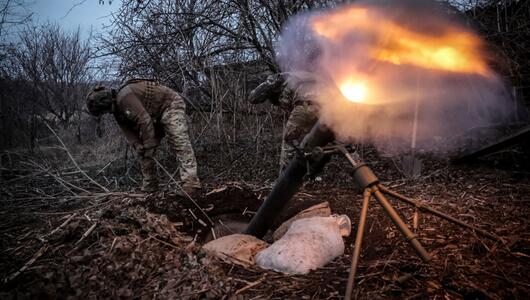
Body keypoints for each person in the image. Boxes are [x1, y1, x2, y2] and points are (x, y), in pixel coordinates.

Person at [86, 79, 201, 193]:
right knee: (143, 150)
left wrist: (149, 145)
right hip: (153, 116)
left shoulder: (125, 97)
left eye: (103, 112)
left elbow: (144, 120)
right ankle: (150, 184)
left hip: (169, 105)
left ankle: (191, 183)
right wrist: (137, 144)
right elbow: (127, 130)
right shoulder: (116, 108)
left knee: (178, 141)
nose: (106, 113)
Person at [248, 73, 319, 171]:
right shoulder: (299, 76)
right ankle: (311, 173)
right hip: (325, 107)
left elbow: (253, 98)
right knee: (315, 141)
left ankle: (285, 181)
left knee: (289, 141)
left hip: (306, 105)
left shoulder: (276, 78)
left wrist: (266, 84)